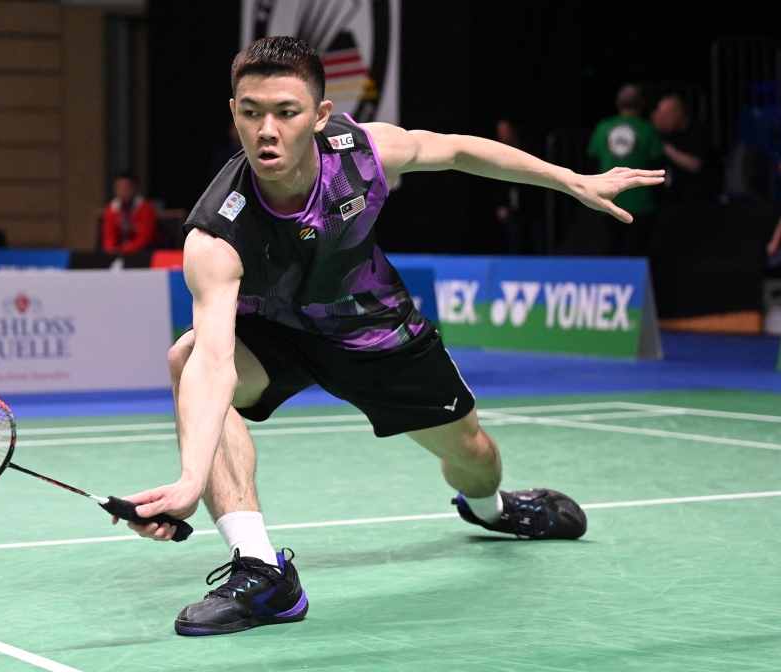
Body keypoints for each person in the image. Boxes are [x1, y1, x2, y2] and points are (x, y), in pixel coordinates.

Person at [111, 37, 662, 637]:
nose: (266, 130)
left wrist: (570, 180)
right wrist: (191, 478)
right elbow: (216, 361)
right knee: (187, 353)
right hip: (276, 333)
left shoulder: (359, 152)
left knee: (474, 455)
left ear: (320, 117)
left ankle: (493, 509)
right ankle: (261, 569)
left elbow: (452, 150)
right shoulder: (217, 232)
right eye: (250, 112)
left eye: (286, 112)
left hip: (374, 328)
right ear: (234, 112)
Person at [587, 84, 664, 256]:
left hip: (607, 200)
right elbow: (658, 164)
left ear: (618, 103)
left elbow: (592, 161)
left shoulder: (602, 128)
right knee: (635, 258)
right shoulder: (648, 130)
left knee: (610, 257)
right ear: (641, 104)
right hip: (641, 203)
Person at [492, 119, 546, 254]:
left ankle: (541, 271)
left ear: (512, 131)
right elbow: (498, 184)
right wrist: (501, 204)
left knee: (538, 241)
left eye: (505, 131)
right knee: (516, 243)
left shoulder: (525, 149)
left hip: (533, 204)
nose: (503, 134)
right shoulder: (494, 154)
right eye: (500, 132)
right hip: (513, 208)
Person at [651, 94, 715, 203]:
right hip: (671, 198)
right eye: (660, 117)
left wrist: (666, 148)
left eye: (666, 116)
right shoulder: (663, 134)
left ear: (679, 114)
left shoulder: (698, 132)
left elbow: (695, 165)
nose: (662, 121)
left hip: (699, 198)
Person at [100, 171, 158, 256]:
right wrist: (111, 248)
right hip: (120, 249)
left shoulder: (145, 207)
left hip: (143, 249)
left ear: (134, 189)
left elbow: (145, 237)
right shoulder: (111, 209)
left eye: (126, 188)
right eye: (120, 188)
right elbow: (109, 235)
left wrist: (125, 249)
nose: (123, 192)